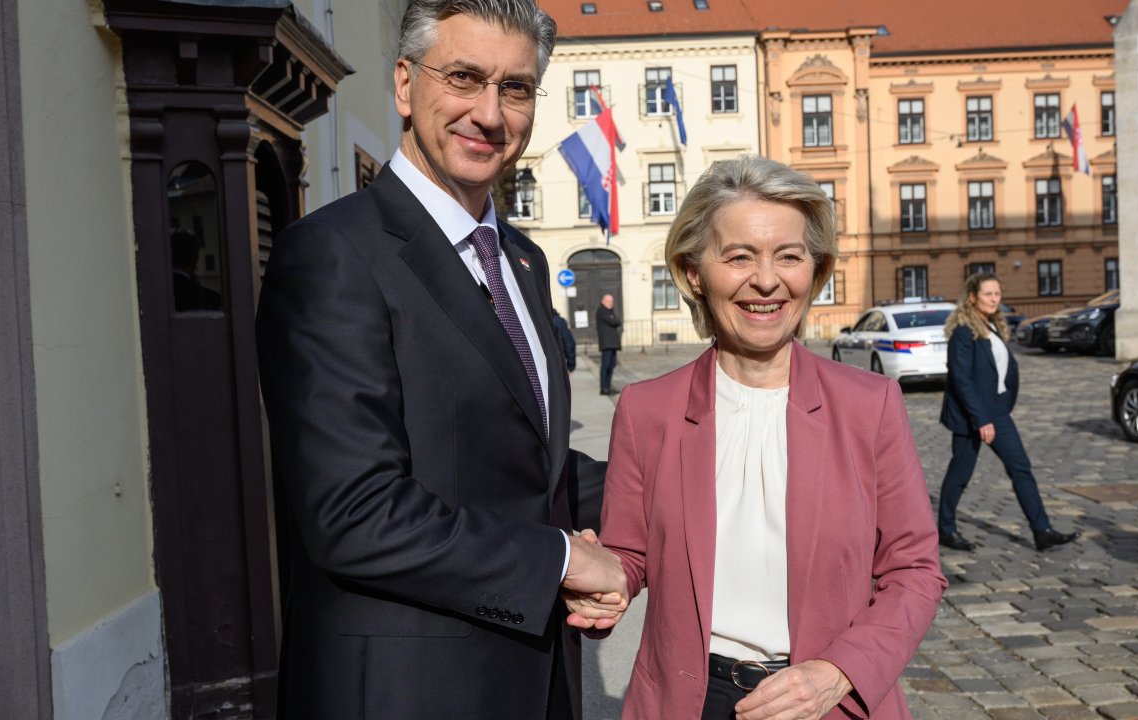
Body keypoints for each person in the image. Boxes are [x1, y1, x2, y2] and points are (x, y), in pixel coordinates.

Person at [255, 1, 626, 717]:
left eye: (515, 88)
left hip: (531, 679)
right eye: (463, 77)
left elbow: (523, 465)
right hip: (406, 690)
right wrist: (560, 559)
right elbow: (354, 512)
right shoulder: (332, 253)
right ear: (404, 84)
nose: (489, 113)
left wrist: (681, 475)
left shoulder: (521, 258)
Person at [567, 155, 947, 720]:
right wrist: (606, 582)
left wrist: (838, 673)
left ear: (814, 271)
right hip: (686, 702)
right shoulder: (647, 410)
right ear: (695, 273)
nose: (767, 280)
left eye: (788, 256)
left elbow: (914, 571)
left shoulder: (870, 406)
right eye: (739, 256)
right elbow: (631, 554)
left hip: (828, 701)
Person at [936, 272, 1081, 553]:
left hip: (997, 411)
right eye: (988, 294)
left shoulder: (990, 326)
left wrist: (1003, 408)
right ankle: (946, 529)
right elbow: (962, 380)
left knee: (1020, 467)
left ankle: (1042, 531)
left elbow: (1000, 373)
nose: (994, 299)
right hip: (971, 415)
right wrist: (981, 419)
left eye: (997, 294)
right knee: (961, 472)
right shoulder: (963, 332)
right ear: (972, 297)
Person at [596, 293, 621, 394]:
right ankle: (603, 388)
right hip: (607, 344)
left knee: (612, 366)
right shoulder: (602, 311)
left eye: (611, 301)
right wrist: (614, 319)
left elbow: (617, 321)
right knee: (605, 366)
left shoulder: (610, 312)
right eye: (608, 301)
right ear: (603, 302)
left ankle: (608, 386)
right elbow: (614, 322)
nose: (611, 303)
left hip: (612, 343)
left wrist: (614, 319)